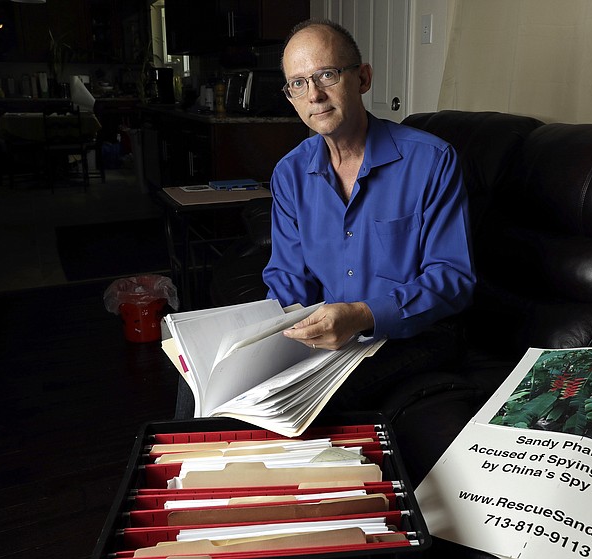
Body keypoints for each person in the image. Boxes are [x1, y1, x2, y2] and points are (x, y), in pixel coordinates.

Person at [173, 19, 475, 419]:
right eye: (298, 83)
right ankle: (194, 475)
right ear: (291, 97)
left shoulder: (432, 161)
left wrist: (364, 314)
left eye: (326, 75)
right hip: (328, 335)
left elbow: (453, 279)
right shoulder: (290, 173)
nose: (314, 95)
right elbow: (287, 277)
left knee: (303, 406)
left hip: (413, 334)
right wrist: (256, 340)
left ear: (363, 78)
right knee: (199, 377)